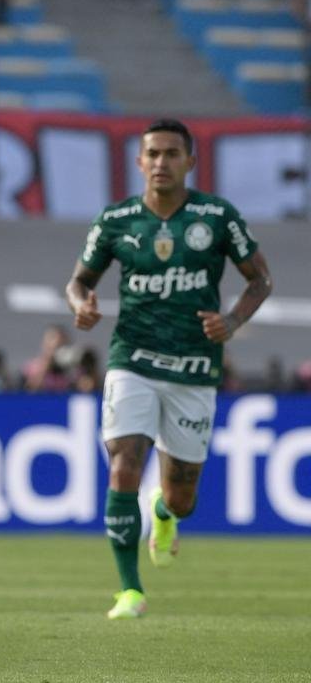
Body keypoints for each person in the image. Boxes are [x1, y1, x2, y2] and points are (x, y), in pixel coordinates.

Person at [65, 118, 273, 620]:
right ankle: (130, 591)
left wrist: (232, 319)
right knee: (123, 464)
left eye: (171, 154)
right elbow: (78, 281)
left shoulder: (217, 217)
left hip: (196, 367)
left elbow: (260, 278)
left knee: (183, 499)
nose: (161, 162)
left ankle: (163, 512)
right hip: (131, 358)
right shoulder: (116, 220)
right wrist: (82, 305)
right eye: (152, 154)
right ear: (139, 162)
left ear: (190, 162)